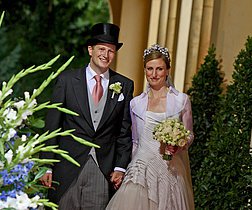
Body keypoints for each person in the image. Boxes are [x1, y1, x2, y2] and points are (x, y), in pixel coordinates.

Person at [39, 23, 134, 209]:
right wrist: (46, 165)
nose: (105, 55)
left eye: (111, 51)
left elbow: (124, 131)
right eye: (101, 49)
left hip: (102, 169)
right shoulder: (66, 80)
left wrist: (120, 167)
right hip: (66, 167)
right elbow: (52, 125)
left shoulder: (124, 85)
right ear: (90, 49)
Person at [106, 44, 195, 210]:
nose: (154, 74)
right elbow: (134, 141)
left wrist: (179, 144)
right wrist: (124, 169)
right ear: (145, 70)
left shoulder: (181, 101)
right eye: (149, 69)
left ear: (168, 70)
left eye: (159, 69)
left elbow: (189, 135)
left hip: (170, 169)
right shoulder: (135, 104)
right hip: (140, 169)